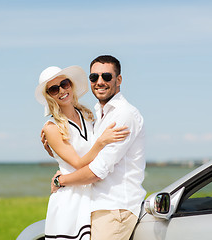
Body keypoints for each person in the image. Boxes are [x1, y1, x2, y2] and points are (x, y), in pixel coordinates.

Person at [50, 55, 146, 240]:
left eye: (106, 77)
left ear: (118, 80)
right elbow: (84, 154)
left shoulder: (124, 115)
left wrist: (61, 181)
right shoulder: (98, 115)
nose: (99, 82)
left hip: (114, 207)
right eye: (94, 77)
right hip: (95, 206)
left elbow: (97, 171)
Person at [35, 65, 130, 240]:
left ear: (71, 84)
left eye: (64, 84)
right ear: (49, 96)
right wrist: (102, 141)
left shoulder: (87, 115)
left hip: (92, 194)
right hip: (70, 200)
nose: (62, 91)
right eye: (54, 89)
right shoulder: (51, 127)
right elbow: (78, 163)